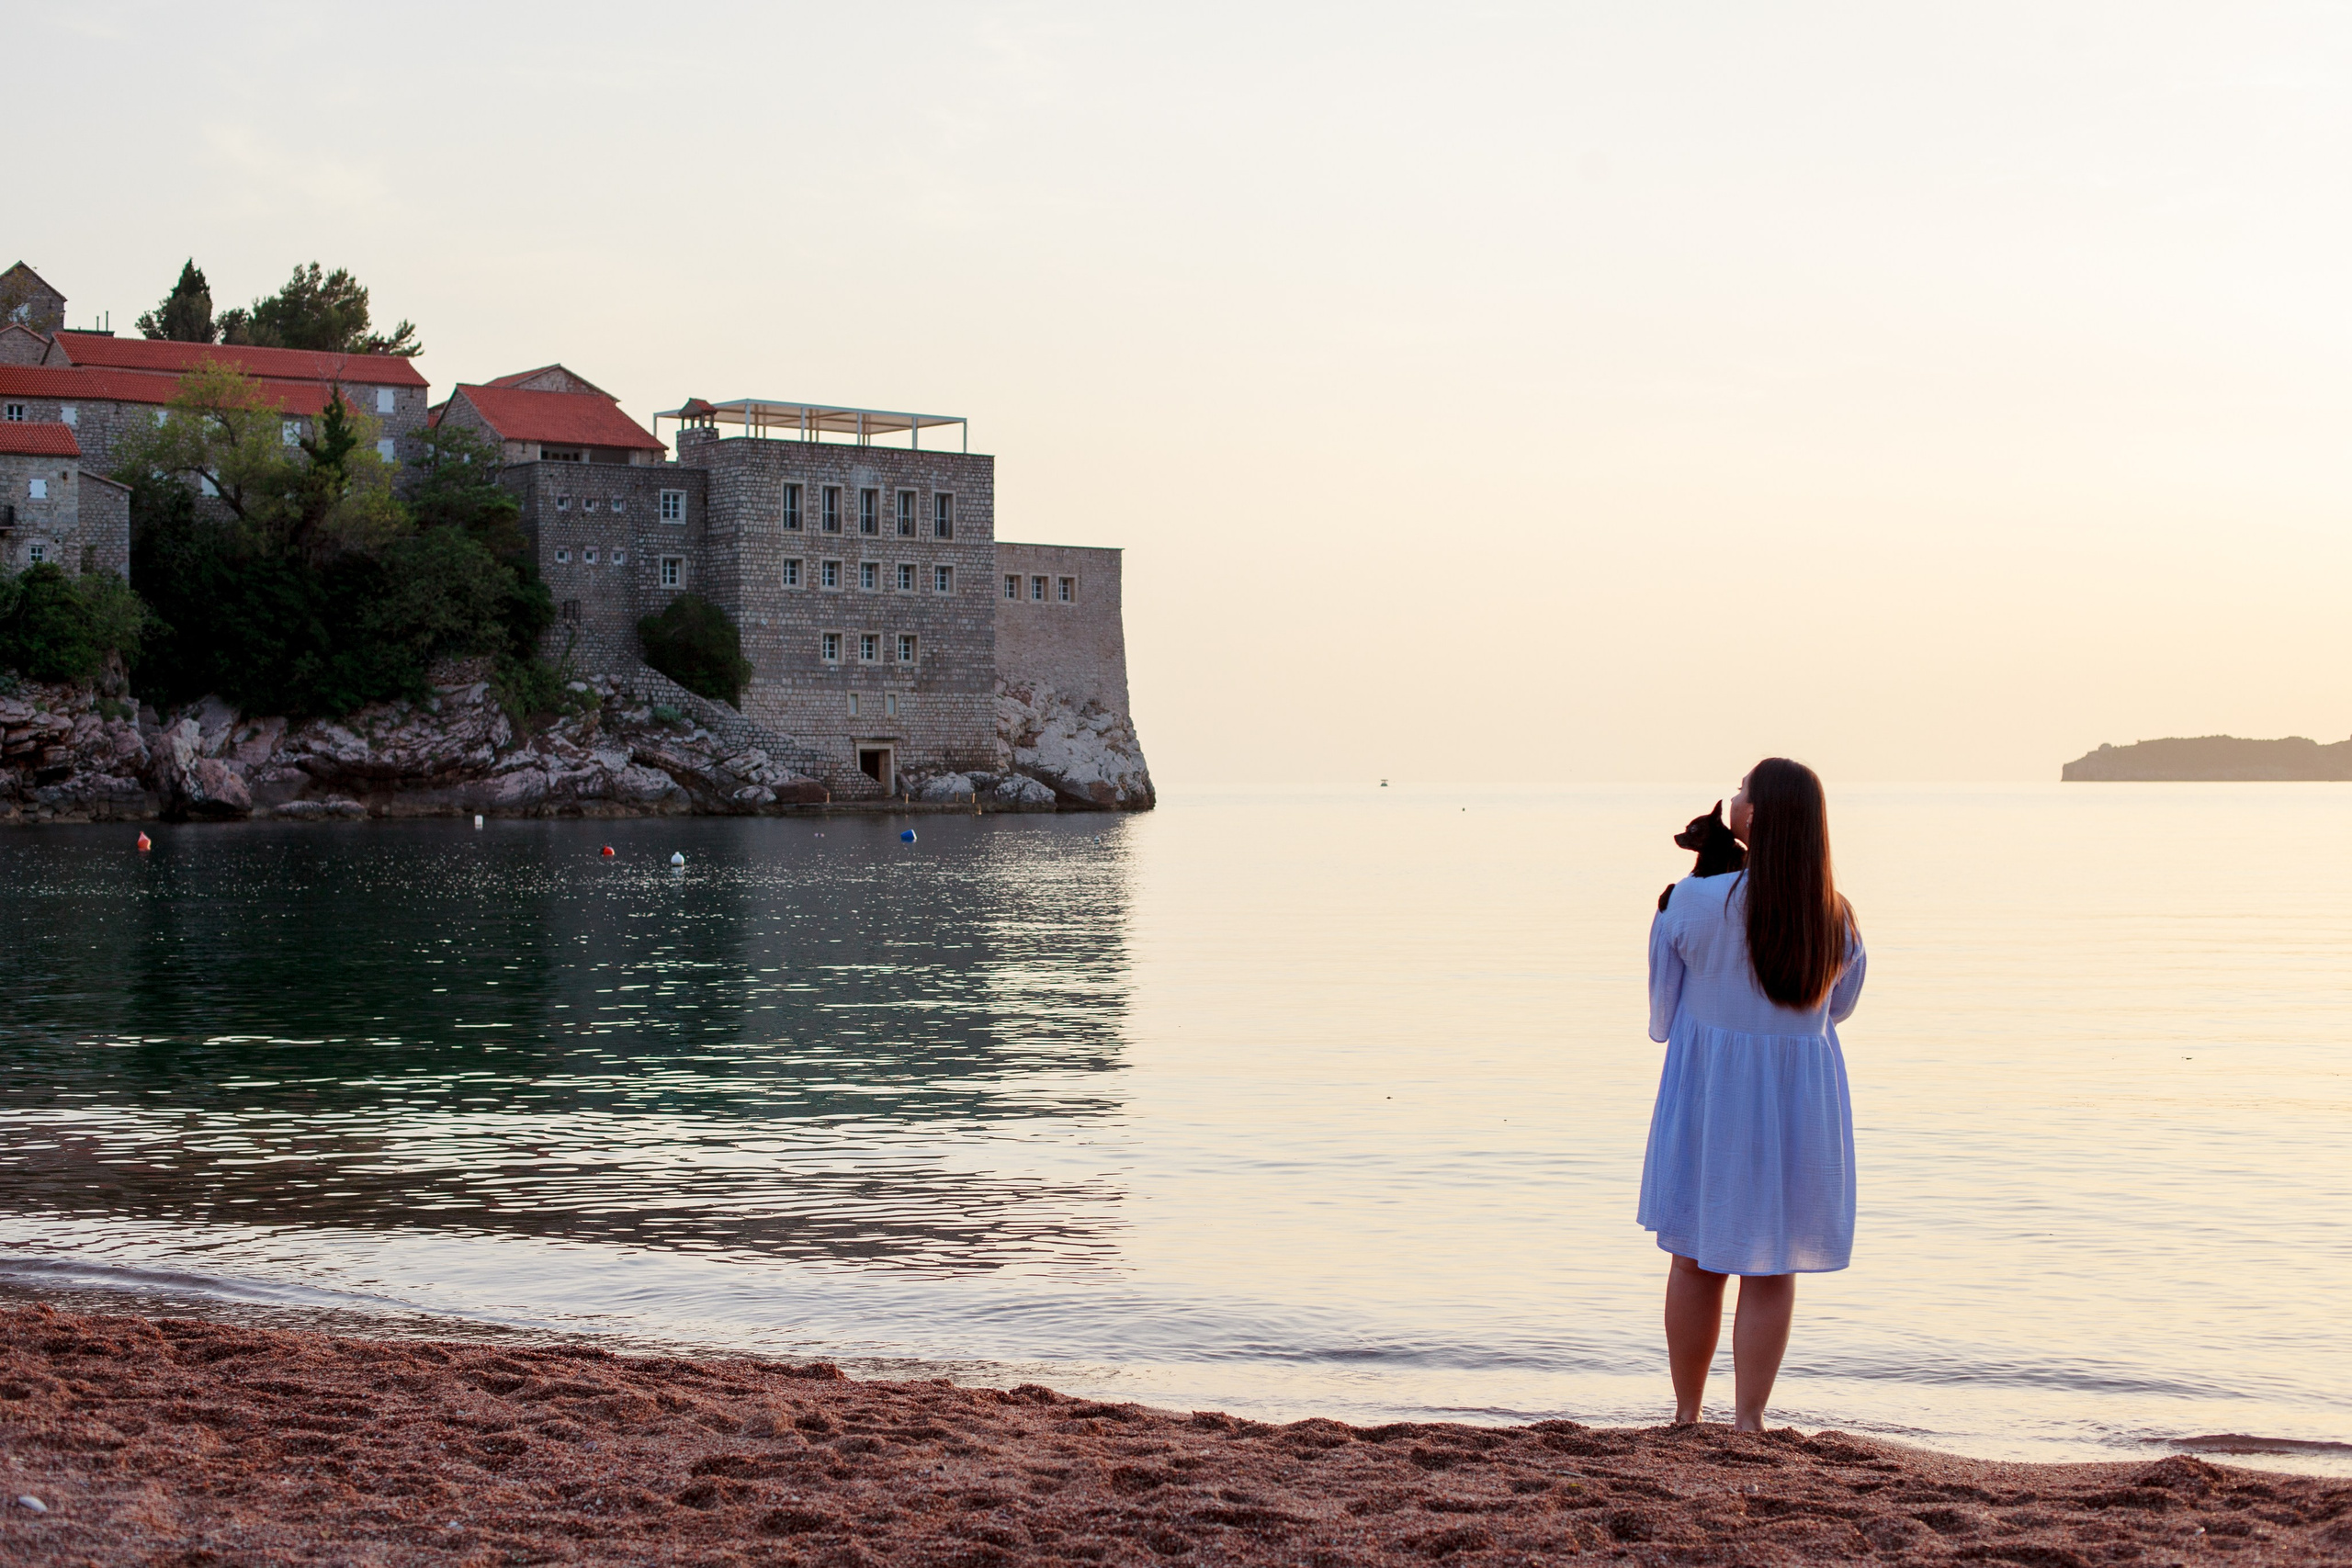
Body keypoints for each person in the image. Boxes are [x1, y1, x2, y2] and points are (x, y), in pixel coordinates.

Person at [1639, 757, 1864, 1431]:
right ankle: (1750, 1420)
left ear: (1756, 818)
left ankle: (1686, 1413)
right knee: (1771, 1265)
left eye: (1741, 791)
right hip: (1795, 1107)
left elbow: (1660, 1011)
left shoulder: (1692, 900)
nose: (1732, 798)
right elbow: (1840, 1007)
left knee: (1694, 1256)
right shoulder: (1835, 915)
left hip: (1710, 1098)